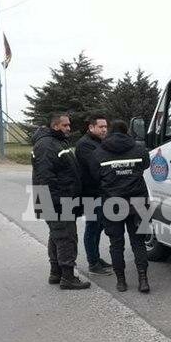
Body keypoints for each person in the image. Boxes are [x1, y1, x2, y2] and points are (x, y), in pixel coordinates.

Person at [90, 119, 151, 293]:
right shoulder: (139, 149)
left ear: (110, 131)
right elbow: (145, 165)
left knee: (116, 244)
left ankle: (121, 281)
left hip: (112, 204)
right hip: (138, 203)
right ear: (126, 132)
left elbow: (95, 176)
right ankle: (143, 280)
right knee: (138, 242)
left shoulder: (99, 152)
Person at [32, 114, 91, 290]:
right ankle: (68, 277)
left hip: (59, 199)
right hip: (57, 201)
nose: (68, 128)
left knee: (57, 236)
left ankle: (56, 272)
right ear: (55, 126)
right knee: (66, 237)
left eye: (69, 125)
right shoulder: (47, 145)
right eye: (65, 125)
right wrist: (57, 201)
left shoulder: (56, 141)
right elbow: (45, 177)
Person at [75, 115, 113, 275]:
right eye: (101, 127)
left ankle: (96, 258)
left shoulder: (98, 142)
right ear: (91, 128)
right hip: (90, 193)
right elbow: (97, 168)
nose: (104, 129)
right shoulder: (85, 145)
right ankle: (93, 263)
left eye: (106, 126)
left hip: (100, 192)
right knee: (93, 227)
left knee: (98, 227)